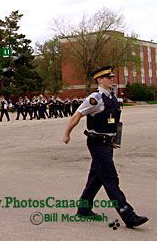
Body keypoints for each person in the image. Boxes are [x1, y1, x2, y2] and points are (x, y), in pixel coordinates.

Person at [62, 65, 148, 229]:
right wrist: (67, 133)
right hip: (96, 143)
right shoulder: (95, 98)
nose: (111, 79)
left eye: (112, 77)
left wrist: (116, 140)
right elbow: (77, 115)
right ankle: (128, 216)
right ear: (100, 80)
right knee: (111, 179)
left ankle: (84, 208)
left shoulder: (113, 98)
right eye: (108, 77)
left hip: (107, 143)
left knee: (96, 177)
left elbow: (116, 122)